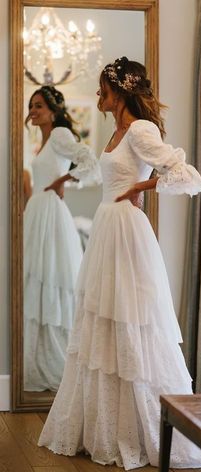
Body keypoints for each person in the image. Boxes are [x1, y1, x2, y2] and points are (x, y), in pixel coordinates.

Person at [38, 58, 201, 469]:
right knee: (103, 324)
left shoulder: (140, 128)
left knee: (134, 322)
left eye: (102, 89)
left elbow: (186, 174)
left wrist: (143, 184)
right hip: (106, 230)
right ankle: (104, 428)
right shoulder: (115, 130)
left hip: (128, 235)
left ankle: (147, 429)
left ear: (119, 91)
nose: (99, 96)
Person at [24, 85, 101, 392]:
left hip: (50, 215)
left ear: (53, 111)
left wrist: (65, 178)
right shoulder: (42, 141)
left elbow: (90, 163)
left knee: (51, 280)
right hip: (37, 211)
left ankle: (58, 363)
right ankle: (35, 358)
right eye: (31, 105)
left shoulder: (58, 134)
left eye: (39, 105)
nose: (33, 110)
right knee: (35, 282)